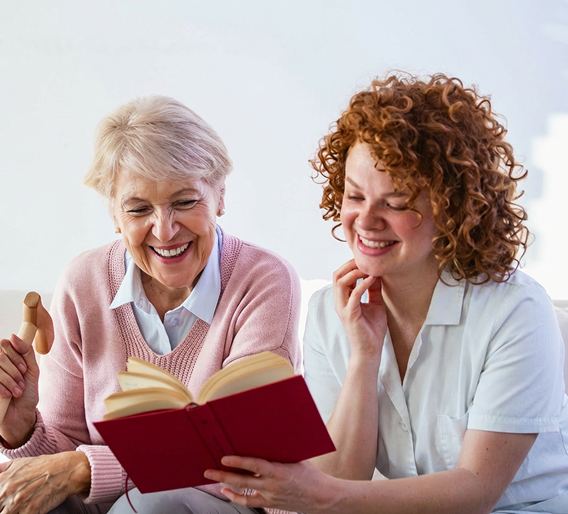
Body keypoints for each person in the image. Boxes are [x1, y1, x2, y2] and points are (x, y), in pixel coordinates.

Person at [205, 73, 568, 513]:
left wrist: (319, 494)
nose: (366, 220)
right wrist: (364, 355)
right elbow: (341, 482)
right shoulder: (329, 311)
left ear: (453, 209)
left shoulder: (516, 311)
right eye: (355, 196)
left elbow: (476, 491)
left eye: (396, 204)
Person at [0, 96, 302, 514]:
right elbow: (61, 462)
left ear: (220, 195)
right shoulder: (83, 282)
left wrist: (82, 468)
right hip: (109, 506)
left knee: (151, 505)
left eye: (185, 202)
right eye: (138, 208)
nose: (164, 230)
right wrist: (21, 429)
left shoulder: (264, 280)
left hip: (223, 504)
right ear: (114, 213)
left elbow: (239, 455)